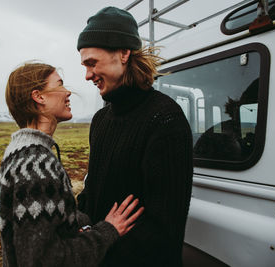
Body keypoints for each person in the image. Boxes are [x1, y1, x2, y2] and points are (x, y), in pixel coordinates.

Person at [76, 6, 193, 266]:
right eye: (84, 65)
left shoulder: (164, 119)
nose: (87, 75)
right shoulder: (101, 120)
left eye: (92, 63)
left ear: (124, 53)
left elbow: (165, 229)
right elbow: (91, 192)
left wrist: (100, 251)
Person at [0, 62, 144, 267]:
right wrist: (108, 230)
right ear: (39, 96)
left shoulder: (19, 151)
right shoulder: (35, 165)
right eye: (59, 85)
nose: (68, 92)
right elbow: (43, 261)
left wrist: (79, 222)